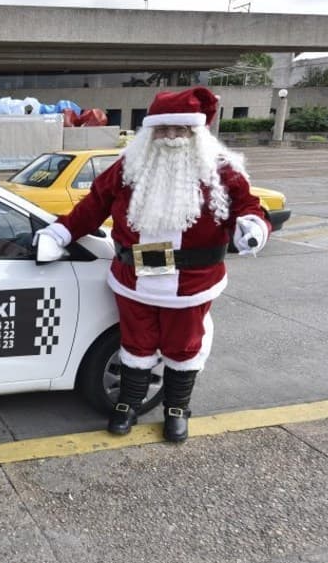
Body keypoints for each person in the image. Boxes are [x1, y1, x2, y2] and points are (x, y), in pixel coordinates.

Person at [35, 87, 271, 443]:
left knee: (184, 346)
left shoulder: (221, 172)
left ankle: (177, 409)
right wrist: (60, 233)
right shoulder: (129, 167)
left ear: (196, 132)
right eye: (163, 129)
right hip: (134, 278)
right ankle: (128, 404)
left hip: (191, 281)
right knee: (135, 343)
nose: (171, 137)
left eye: (181, 130)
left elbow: (249, 207)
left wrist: (252, 227)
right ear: (150, 131)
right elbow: (92, 206)